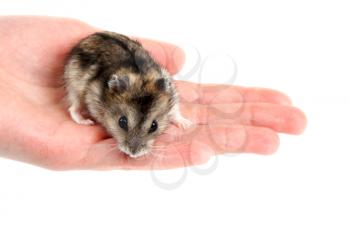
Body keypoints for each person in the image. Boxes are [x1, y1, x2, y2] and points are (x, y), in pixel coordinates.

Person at [0, 16, 306, 170]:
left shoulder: (165, 93)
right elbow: (92, 91)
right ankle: (72, 109)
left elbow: (169, 101)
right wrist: (80, 106)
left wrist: (178, 118)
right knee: (80, 95)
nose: (134, 146)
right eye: (123, 124)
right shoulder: (108, 90)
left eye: (153, 128)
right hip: (93, 61)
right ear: (113, 98)